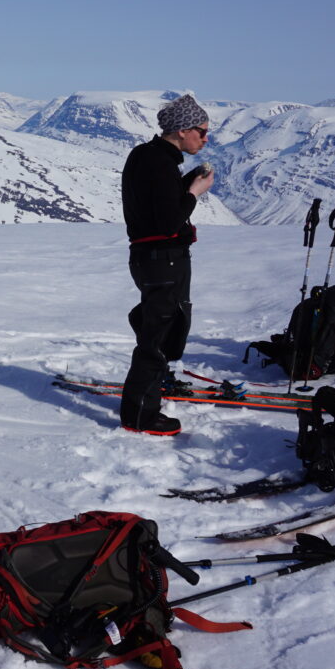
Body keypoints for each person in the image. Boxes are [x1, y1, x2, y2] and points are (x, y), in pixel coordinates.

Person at [119, 92, 215, 436]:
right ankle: (140, 415)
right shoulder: (158, 163)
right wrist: (194, 192)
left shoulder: (151, 158)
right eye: (202, 131)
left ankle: (153, 378)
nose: (206, 138)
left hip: (157, 259)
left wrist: (186, 185)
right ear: (183, 130)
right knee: (158, 336)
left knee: (166, 327)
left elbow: (158, 207)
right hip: (163, 259)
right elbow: (167, 222)